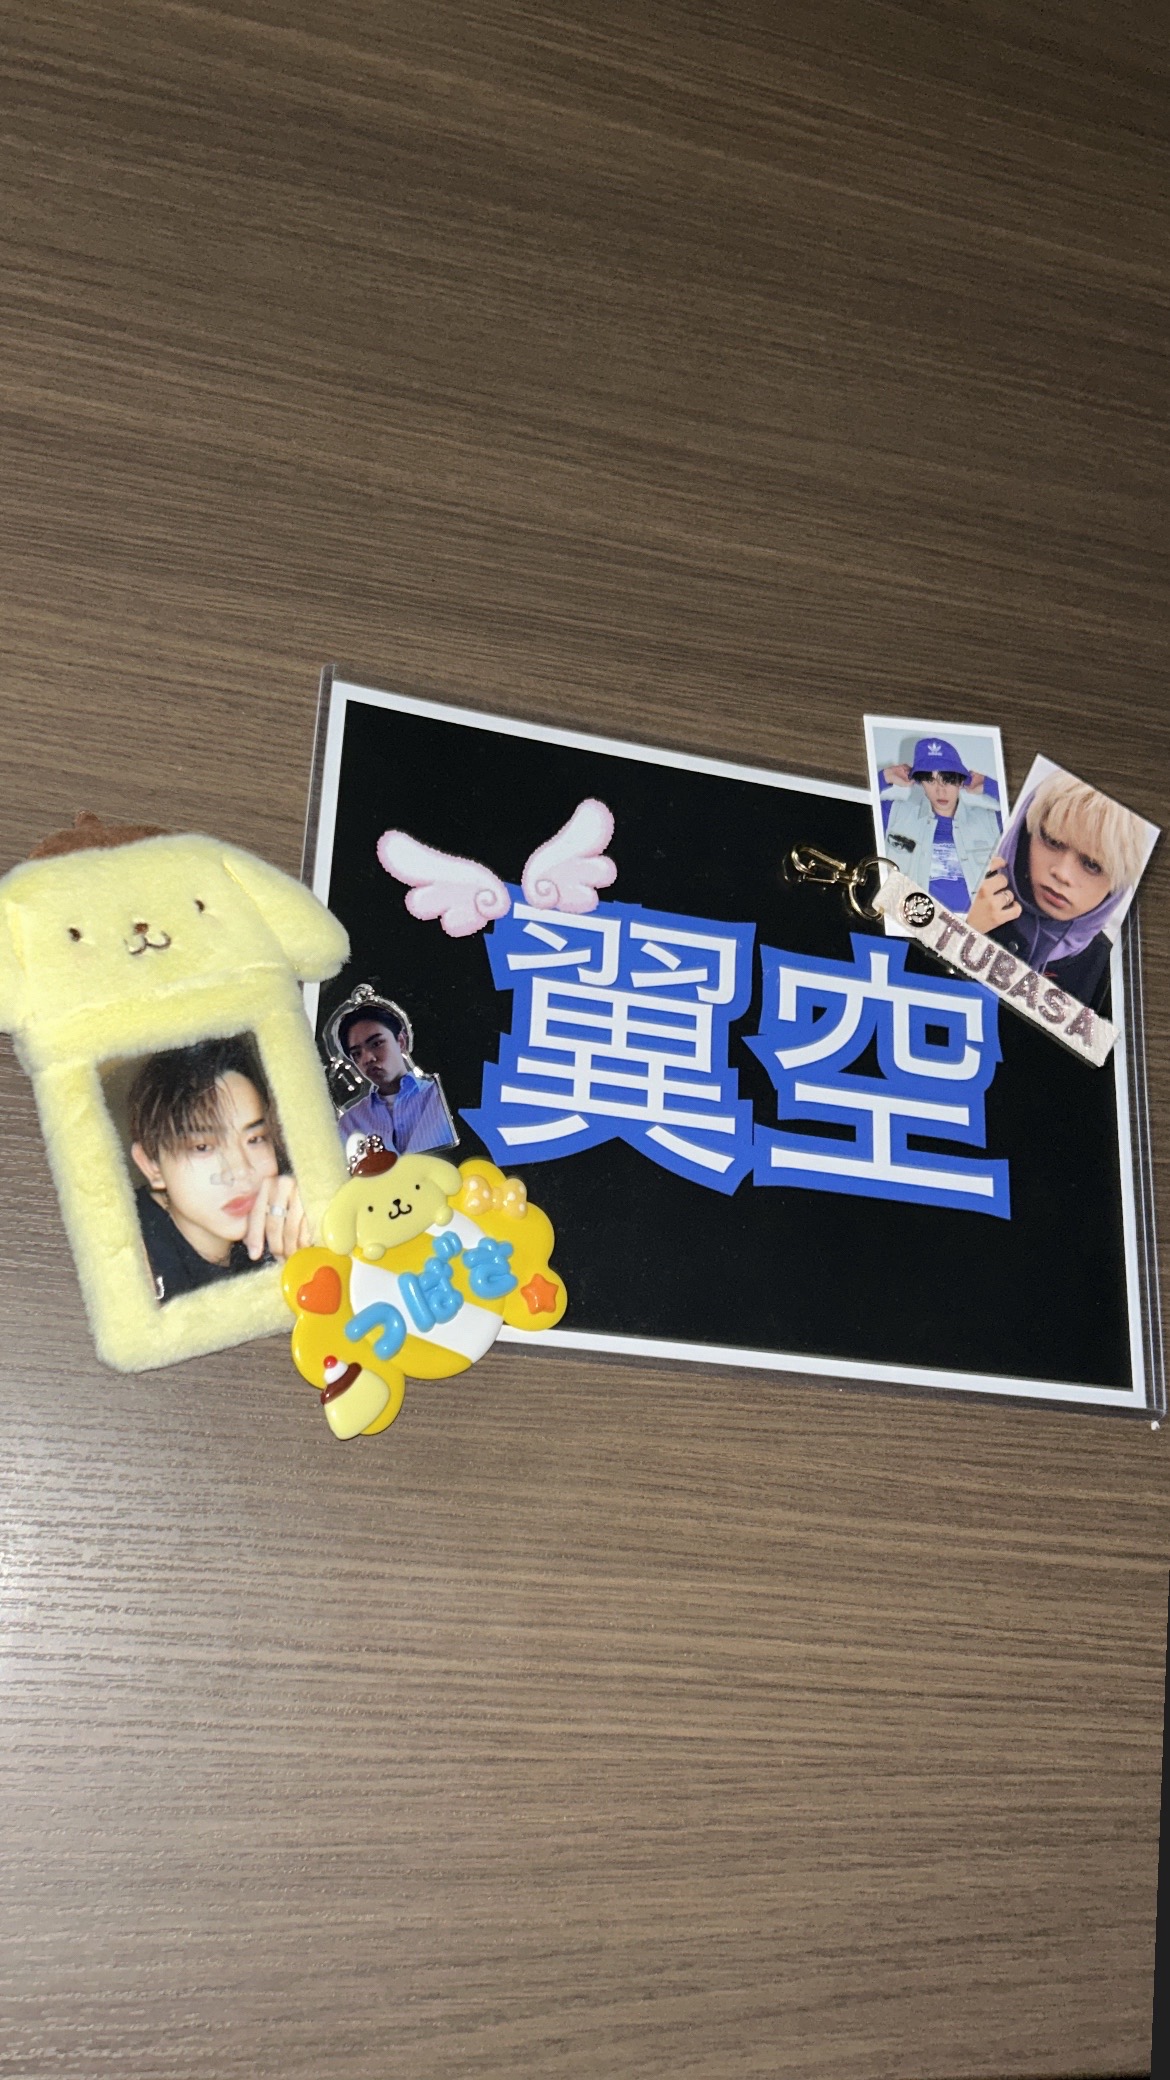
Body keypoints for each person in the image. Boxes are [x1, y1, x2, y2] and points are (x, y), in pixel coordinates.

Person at [128, 1035, 308, 1303]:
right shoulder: (129, 1249)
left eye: (255, 1139)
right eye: (202, 1147)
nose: (241, 1170)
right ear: (151, 1165)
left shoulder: (284, 1207)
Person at [966, 769, 1151, 1013]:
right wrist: (960, 930)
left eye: (1092, 865)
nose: (1062, 873)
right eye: (1052, 842)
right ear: (1025, 834)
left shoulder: (1110, 970)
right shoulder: (966, 893)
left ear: (1117, 882)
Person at [878, 736, 1002, 909]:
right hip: (910, 919)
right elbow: (854, 805)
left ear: (961, 782)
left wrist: (989, 785)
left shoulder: (991, 821)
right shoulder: (895, 813)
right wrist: (887, 776)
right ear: (920, 782)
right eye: (931, 780)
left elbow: (1032, 814)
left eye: (948, 779)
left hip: (977, 923)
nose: (940, 790)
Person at [334, 1001, 456, 1156]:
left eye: (377, 1043)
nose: (367, 1058)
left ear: (401, 1042)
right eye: (357, 1054)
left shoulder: (438, 1096)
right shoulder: (350, 1123)